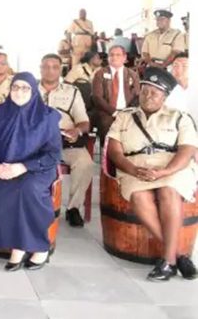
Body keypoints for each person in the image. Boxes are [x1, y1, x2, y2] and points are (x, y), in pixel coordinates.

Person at [106, 68, 197, 281]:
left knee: (168, 192)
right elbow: (114, 150)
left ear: (164, 97)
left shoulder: (179, 117)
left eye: (154, 93)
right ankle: (178, 255)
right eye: (145, 91)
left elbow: (187, 150)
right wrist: (131, 169)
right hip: (134, 168)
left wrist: (165, 172)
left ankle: (168, 261)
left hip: (172, 168)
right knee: (139, 196)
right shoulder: (124, 117)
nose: (148, 96)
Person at [0, 72, 62, 271]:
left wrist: (22, 167)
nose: (19, 92)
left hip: (36, 168)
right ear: (10, 89)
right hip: (2, 166)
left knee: (26, 189)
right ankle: (17, 246)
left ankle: (38, 247)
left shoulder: (47, 117)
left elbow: (53, 154)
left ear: (33, 91)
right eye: (15, 87)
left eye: (25, 88)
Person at [39, 54, 92, 227]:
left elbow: (84, 122)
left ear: (60, 70)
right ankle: (33, 204)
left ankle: (73, 208)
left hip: (65, 142)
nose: (50, 70)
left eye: (54, 67)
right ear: (40, 69)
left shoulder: (72, 92)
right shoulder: (29, 91)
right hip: (36, 143)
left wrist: (77, 130)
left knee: (85, 163)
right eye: (46, 66)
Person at [92, 45, 140, 143]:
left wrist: (127, 112)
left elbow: (137, 96)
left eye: (118, 55)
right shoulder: (100, 74)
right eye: (111, 55)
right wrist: (114, 112)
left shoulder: (132, 74)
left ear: (124, 58)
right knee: (105, 125)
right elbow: (97, 97)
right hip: (107, 112)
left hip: (128, 112)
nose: (114, 57)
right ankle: (107, 154)